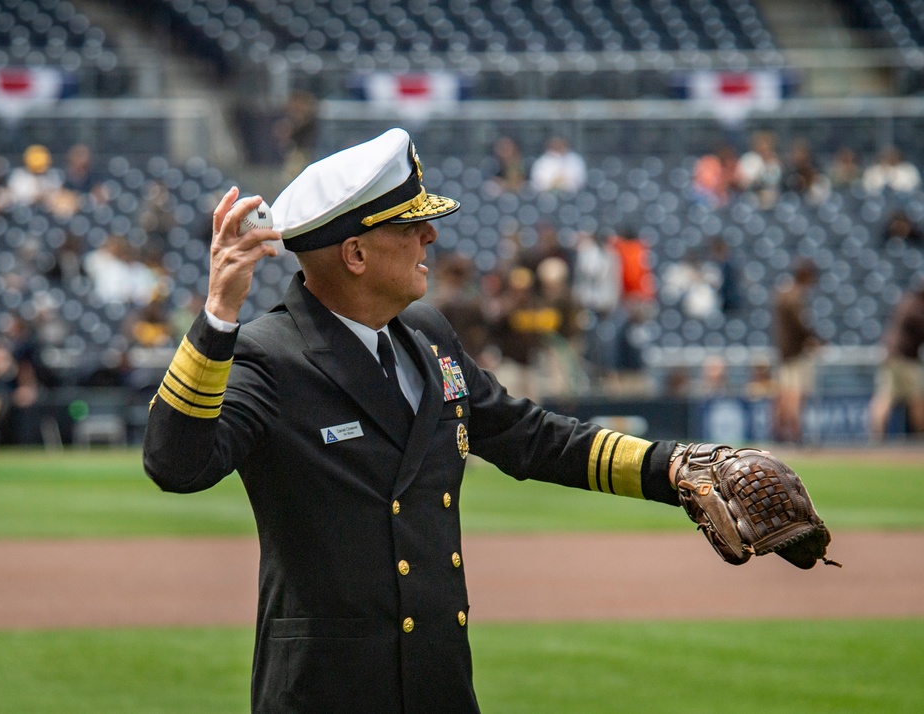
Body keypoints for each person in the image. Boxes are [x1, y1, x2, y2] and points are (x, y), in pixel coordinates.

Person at [141, 128, 802, 712]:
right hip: (325, 692)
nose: (430, 235)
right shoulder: (265, 352)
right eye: (410, 226)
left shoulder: (427, 335)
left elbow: (527, 436)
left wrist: (672, 468)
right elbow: (175, 465)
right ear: (355, 254)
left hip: (439, 684)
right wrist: (218, 317)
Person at [868, 276, 924, 439]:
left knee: (886, 395)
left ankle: (876, 435)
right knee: (916, 399)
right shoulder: (916, 307)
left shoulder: (907, 302)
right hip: (903, 358)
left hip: (892, 355)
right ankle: (920, 437)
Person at [772, 259, 821, 444]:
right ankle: (794, 433)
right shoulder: (795, 295)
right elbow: (800, 325)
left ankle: (781, 432)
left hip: (784, 352)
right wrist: (814, 339)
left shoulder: (782, 293)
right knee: (795, 393)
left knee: (786, 392)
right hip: (796, 353)